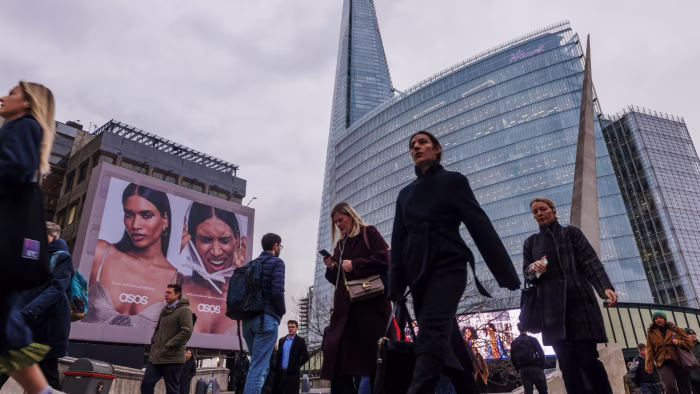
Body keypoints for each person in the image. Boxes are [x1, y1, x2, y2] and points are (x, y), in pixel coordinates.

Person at [390, 130, 521, 393]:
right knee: (448, 344)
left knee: (431, 335)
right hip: (418, 277)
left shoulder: (453, 181)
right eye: (412, 145)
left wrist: (506, 275)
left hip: (448, 266)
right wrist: (396, 290)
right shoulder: (405, 194)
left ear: (437, 149)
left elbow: (478, 224)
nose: (416, 147)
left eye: (422, 142)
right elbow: (397, 243)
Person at [0, 81, 64, 394]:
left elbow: (15, 170)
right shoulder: (24, 128)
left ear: (27, 103)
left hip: (4, 241)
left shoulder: (24, 127)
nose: (3, 97)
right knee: (4, 325)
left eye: (12, 93)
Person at [523, 196, 618, 394]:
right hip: (551, 314)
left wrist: (604, 288)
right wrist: (534, 269)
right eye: (535, 212)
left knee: (589, 360)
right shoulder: (531, 243)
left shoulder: (571, 233)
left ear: (553, 210)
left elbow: (590, 262)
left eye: (543, 209)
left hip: (580, 306)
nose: (539, 214)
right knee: (567, 367)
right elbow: (529, 276)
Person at [320, 202, 392, 393]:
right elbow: (337, 279)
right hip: (346, 311)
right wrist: (332, 267)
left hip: (372, 309)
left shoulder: (369, 233)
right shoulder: (341, 245)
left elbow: (384, 259)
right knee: (339, 358)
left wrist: (355, 264)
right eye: (335, 223)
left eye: (341, 220)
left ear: (351, 216)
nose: (338, 225)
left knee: (376, 360)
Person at [87, 183, 179, 328]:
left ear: (164, 219)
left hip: (145, 350)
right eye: (129, 214)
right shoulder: (101, 253)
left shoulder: (176, 279)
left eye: (146, 215)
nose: (135, 225)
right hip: (83, 347)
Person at [180, 202, 247, 335]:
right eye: (205, 240)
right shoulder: (175, 282)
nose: (216, 252)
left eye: (224, 240)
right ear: (191, 239)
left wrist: (244, 276)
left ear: (237, 238)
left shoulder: (247, 296)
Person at [241, 233, 285, 394]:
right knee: (258, 368)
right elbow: (278, 292)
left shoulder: (250, 265)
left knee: (258, 365)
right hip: (266, 319)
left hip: (248, 323)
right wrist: (281, 312)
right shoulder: (277, 262)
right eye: (279, 246)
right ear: (275, 245)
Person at [141, 284, 194, 394]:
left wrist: (168, 345)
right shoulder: (165, 310)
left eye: (169, 293)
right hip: (157, 356)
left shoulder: (185, 310)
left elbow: (186, 331)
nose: (166, 295)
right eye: (166, 292)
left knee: (172, 389)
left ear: (177, 294)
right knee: (146, 384)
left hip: (172, 358)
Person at [644, 311, 693, 394]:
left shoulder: (676, 329)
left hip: (679, 361)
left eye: (661, 318)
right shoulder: (651, 333)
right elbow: (649, 349)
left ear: (665, 319)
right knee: (669, 385)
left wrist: (679, 342)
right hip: (663, 362)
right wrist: (649, 365)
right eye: (655, 318)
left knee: (684, 387)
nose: (658, 320)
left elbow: (690, 344)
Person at [511, 323, 547, 394]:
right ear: (527, 329)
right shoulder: (533, 340)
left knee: (528, 392)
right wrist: (541, 367)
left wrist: (519, 369)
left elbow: (513, 359)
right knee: (543, 391)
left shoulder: (514, 342)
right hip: (536, 368)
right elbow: (541, 354)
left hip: (523, 370)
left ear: (518, 329)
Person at [275, 320, 309, 394]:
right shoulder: (282, 340)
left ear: (297, 328)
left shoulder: (300, 341)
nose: (290, 328)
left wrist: (297, 366)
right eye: (289, 327)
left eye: (293, 327)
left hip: (293, 374)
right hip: (281, 373)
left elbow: (306, 357)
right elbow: (278, 357)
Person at [686, 328, 700, 394]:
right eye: (690, 334)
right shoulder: (684, 348)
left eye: (694, 333)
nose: (693, 335)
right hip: (693, 377)